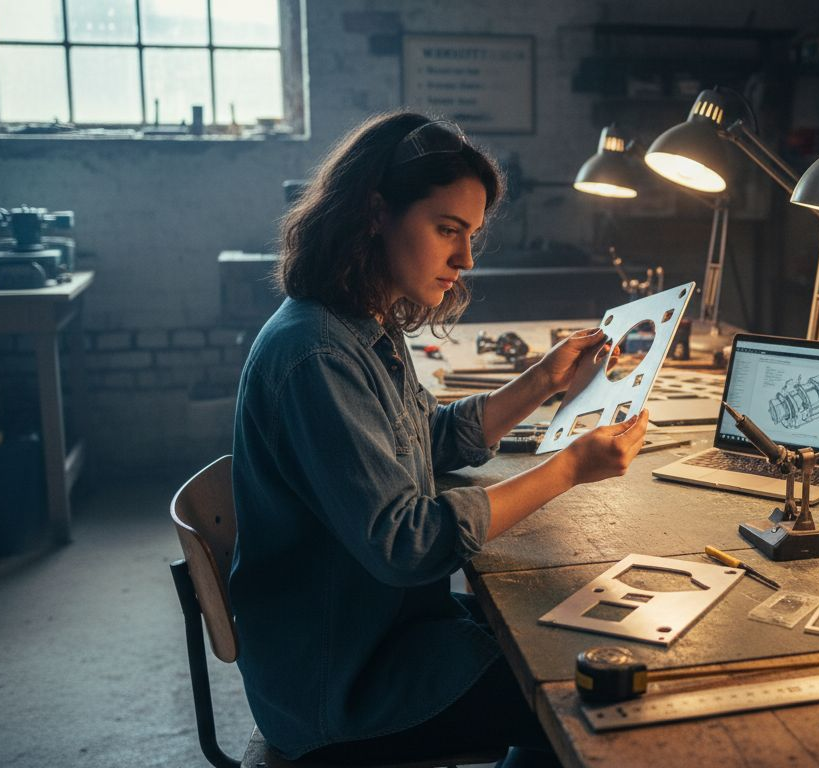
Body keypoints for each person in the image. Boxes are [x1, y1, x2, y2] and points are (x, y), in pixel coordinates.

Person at [229, 112, 648, 766]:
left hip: (381, 632)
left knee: (563, 632)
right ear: (374, 214)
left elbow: (428, 436)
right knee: (592, 696)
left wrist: (541, 379)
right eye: (448, 230)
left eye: (472, 234)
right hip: (344, 682)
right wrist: (567, 468)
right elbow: (409, 542)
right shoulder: (317, 355)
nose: (466, 259)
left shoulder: (360, 322)